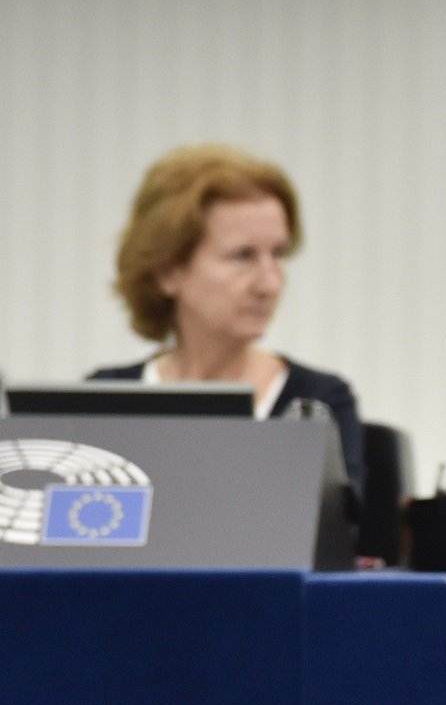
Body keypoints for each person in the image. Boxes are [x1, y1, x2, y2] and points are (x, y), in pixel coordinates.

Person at [92, 143, 366, 498]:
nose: (270, 283)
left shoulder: (320, 402)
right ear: (168, 271)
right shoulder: (106, 399)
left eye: (278, 254)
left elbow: (336, 542)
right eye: (243, 256)